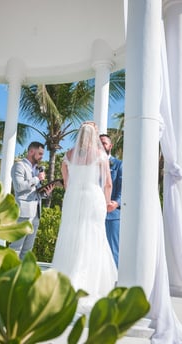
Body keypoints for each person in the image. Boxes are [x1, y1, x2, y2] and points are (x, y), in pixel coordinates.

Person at [52, 122, 117, 313]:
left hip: (73, 197)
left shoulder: (69, 154)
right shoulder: (99, 155)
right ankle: (88, 284)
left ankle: (66, 280)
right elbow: (108, 183)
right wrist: (106, 203)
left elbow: (66, 179)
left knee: (72, 235)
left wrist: (72, 193)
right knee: (93, 237)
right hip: (93, 196)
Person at [10, 141, 54, 259]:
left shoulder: (36, 169)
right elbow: (19, 187)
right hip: (23, 213)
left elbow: (35, 192)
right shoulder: (19, 166)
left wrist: (45, 192)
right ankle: (7, 274)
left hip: (36, 214)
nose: (41, 157)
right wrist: (36, 179)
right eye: (40, 153)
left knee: (27, 249)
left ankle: (22, 275)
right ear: (31, 152)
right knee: (16, 247)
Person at [100, 134, 122, 268]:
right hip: (94, 212)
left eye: (104, 143)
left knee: (112, 249)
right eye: (99, 143)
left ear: (110, 146)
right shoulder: (92, 165)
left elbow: (123, 187)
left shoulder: (119, 164)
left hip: (112, 214)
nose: (101, 146)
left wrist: (117, 202)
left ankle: (114, 282)